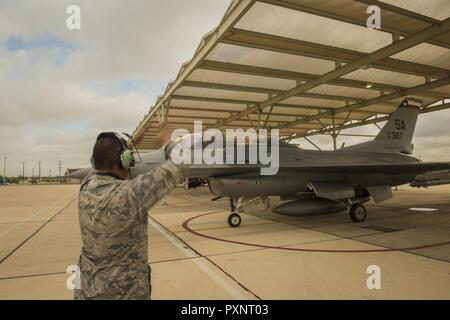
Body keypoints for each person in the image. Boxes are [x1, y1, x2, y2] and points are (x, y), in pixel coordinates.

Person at [74, 122, 181, 300]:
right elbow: (177, 165)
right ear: (125, 160)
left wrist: (130, 144)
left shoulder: (86, 186)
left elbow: (100, 167)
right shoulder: (130, 195)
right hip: (125, 294)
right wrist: (168, 141)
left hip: (86, 291)